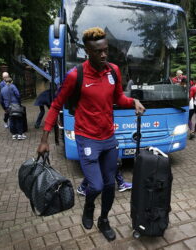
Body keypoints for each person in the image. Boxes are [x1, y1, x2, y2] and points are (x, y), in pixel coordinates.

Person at [37, 27, 145, 242]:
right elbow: (56, 105)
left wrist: (133, 101)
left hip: (108, 138)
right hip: (87, 138)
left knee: (109, 185)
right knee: (95, 185)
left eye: (105, 50)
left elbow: (119, 99)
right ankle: (88, 208)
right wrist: (44, 139)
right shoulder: (75, 75)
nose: (103, 55)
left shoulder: (113, 71)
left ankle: (103, 219)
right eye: (98, 52)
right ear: (88, 51)